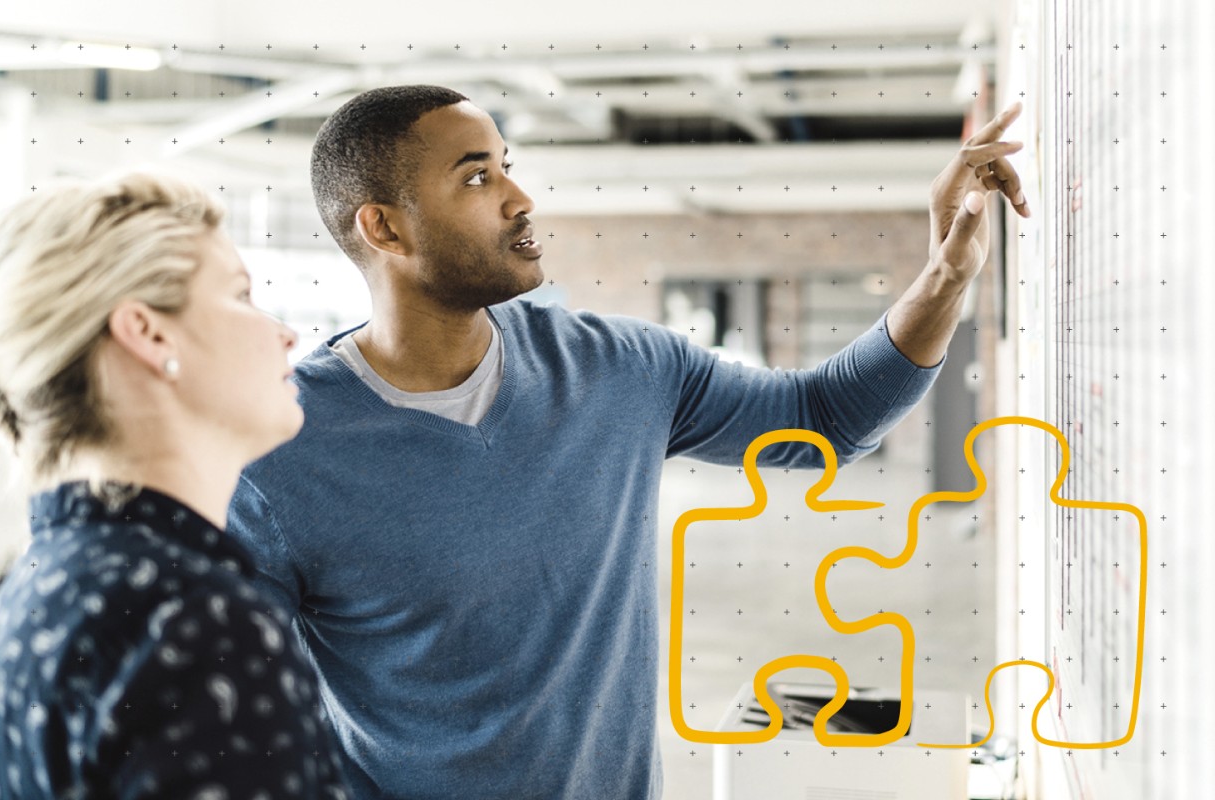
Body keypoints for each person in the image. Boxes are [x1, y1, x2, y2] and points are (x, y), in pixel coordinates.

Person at [227, 85, 1029, 799]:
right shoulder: (276, 451)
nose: (519, 198)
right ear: (385, 229)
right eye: (477, 177)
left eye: (508, 165)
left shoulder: (620, 367)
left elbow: (822, 421)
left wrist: (947, 277)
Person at [0, 173, 346, 798]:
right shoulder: (197, 627)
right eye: (240, 295)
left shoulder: (32, 603)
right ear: (149, 334)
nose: (285, 334)